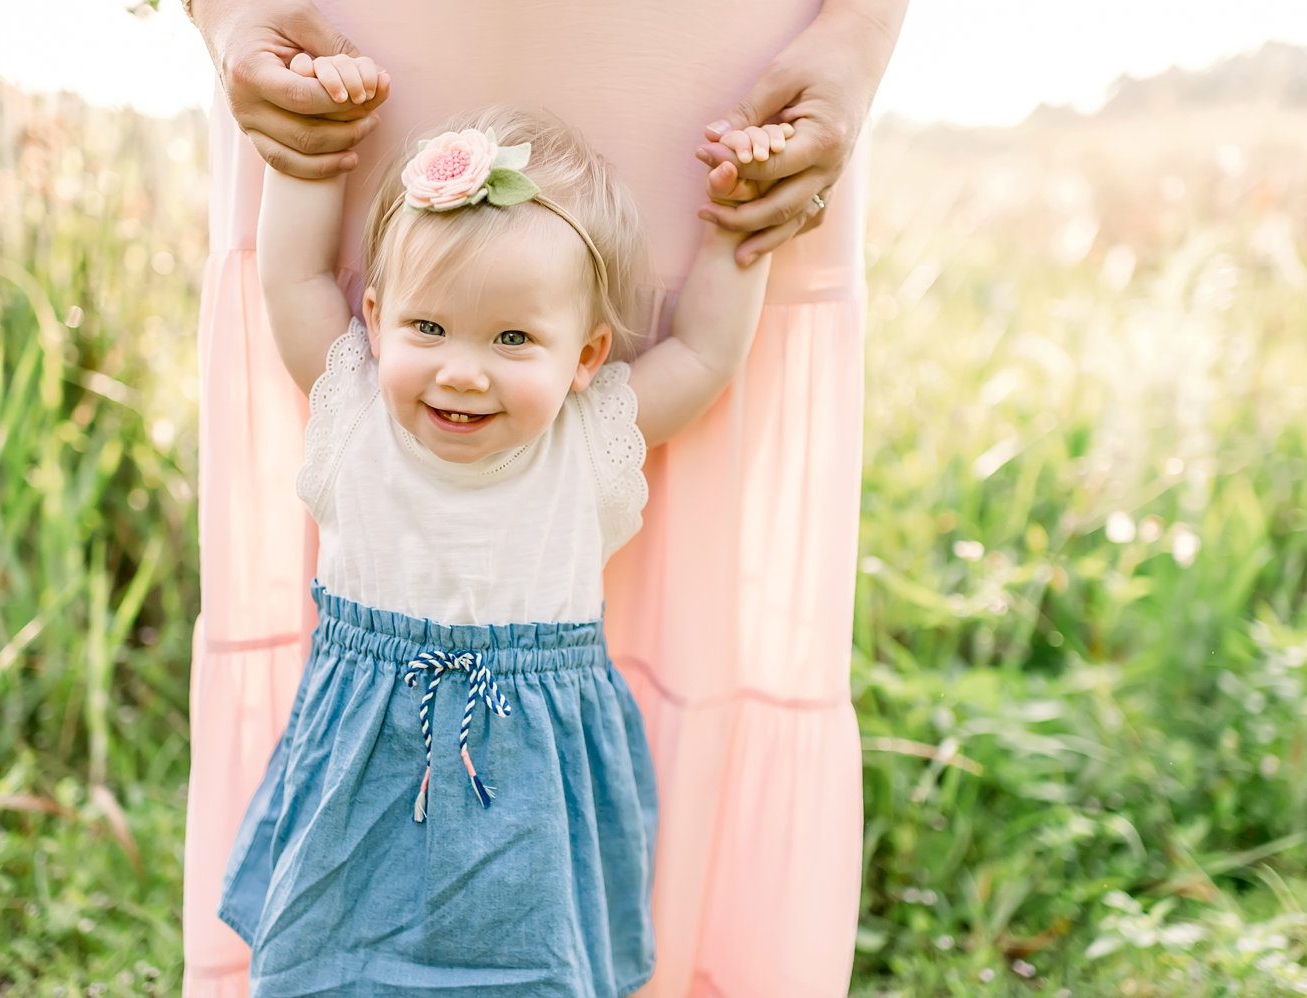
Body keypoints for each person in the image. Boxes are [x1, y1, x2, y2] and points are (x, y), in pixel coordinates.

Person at [182, 2, 907, 995]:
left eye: (513, 340)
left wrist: (738, 215)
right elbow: (295, 280)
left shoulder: (583, 442)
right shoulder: (355, 406)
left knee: (534, 967)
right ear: (381, 317)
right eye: (430, 327)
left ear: (588, 356)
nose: (463, 374)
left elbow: (701, 354)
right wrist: (307, 165)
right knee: (330, 963)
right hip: (360, 772)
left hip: (530, 791)